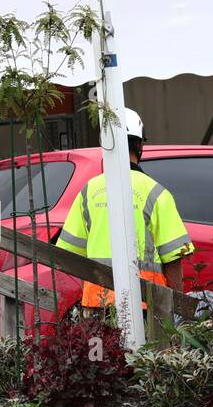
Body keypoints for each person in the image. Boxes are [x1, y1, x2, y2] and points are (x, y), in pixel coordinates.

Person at [55, 108, 193, 308]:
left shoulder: (89, 191)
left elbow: (69, 254)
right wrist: (177, 308)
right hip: (146, 304)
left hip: (97, 304)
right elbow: (174, 258)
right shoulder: (156, 192)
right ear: (139, 145)